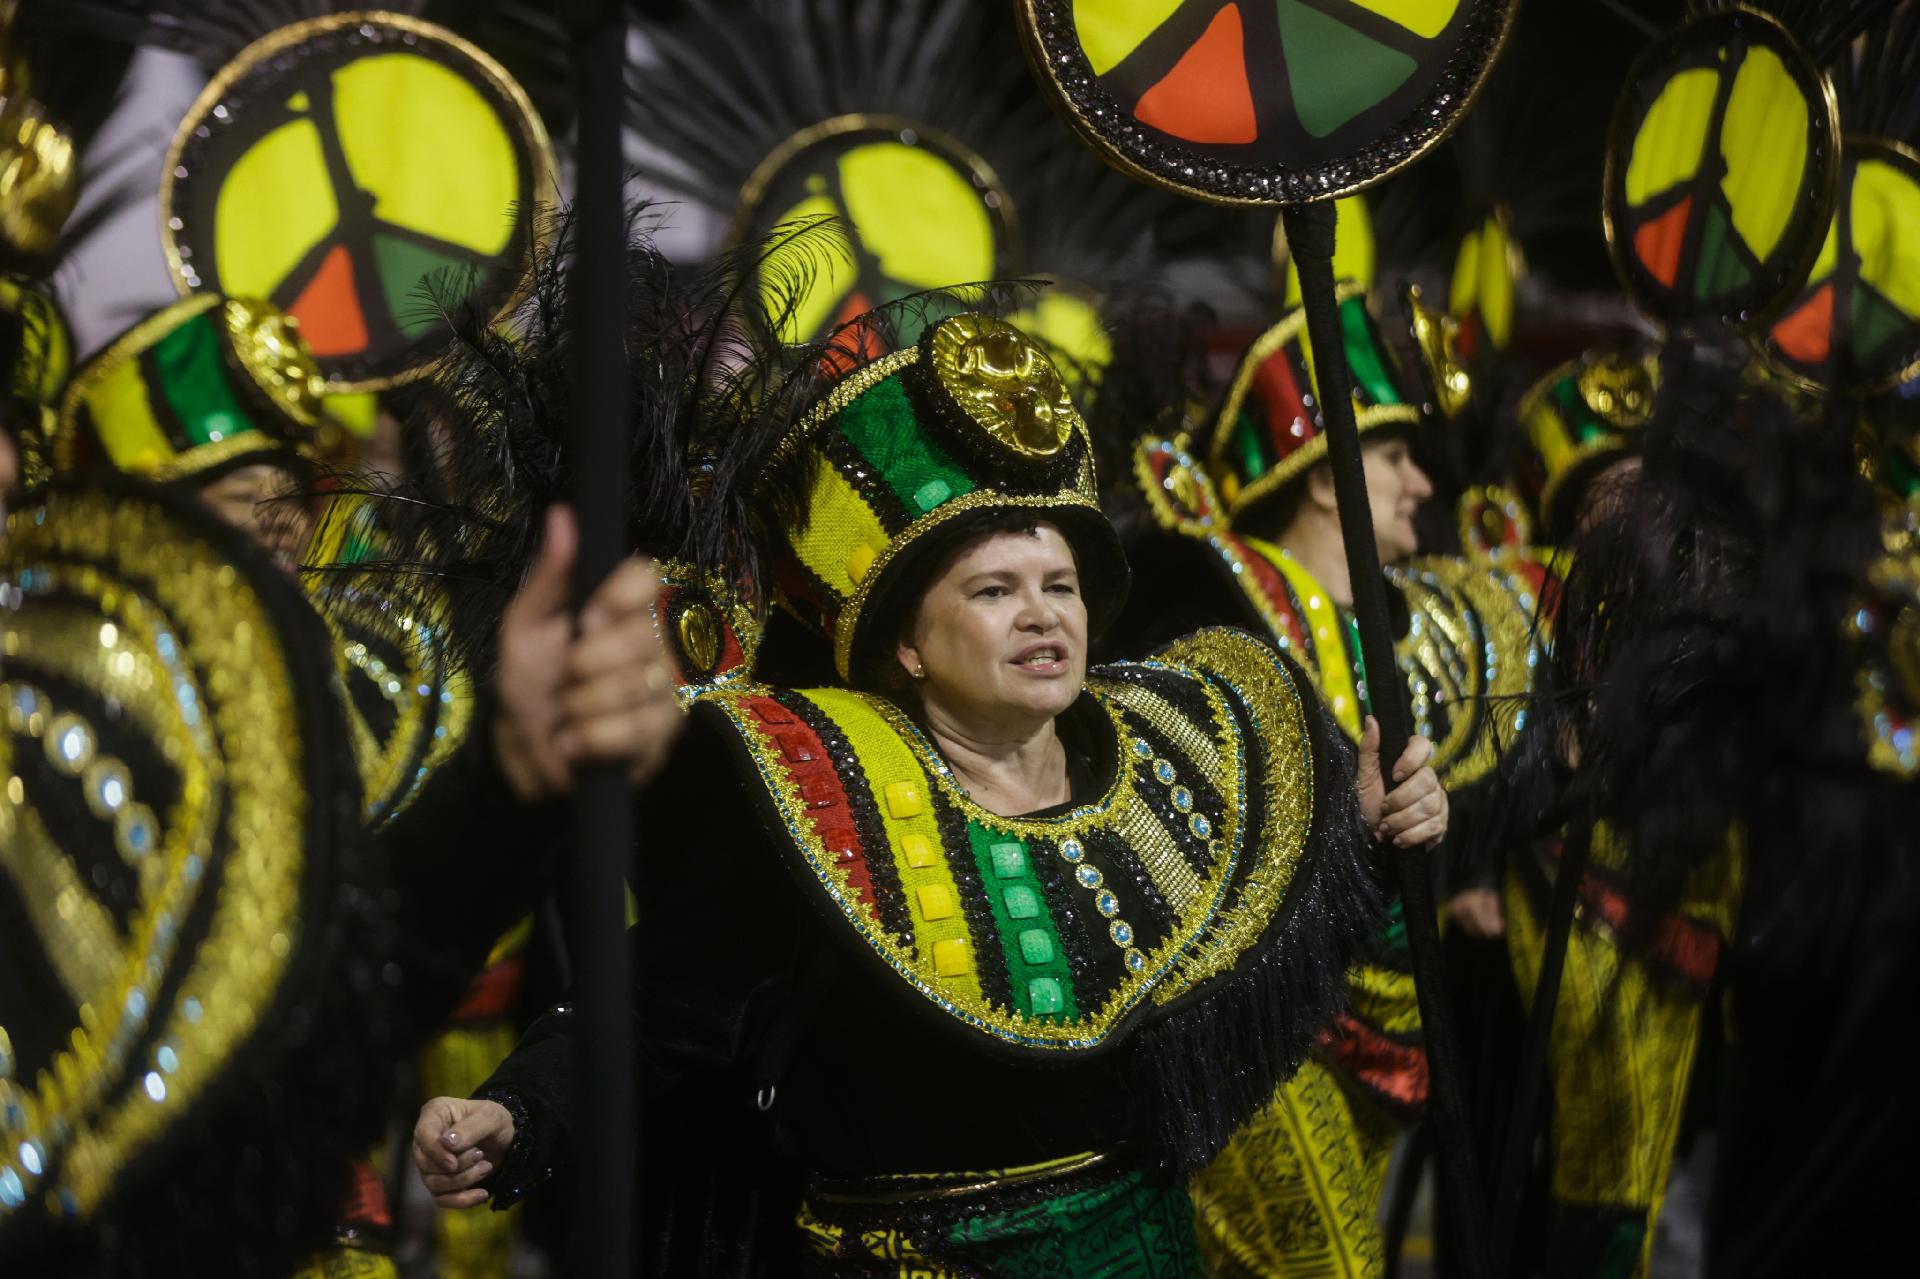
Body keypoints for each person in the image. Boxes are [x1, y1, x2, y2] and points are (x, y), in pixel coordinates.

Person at [409, 311, 1447, 1276]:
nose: (1043, 617)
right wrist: (521, 1110)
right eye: (994, 591)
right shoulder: (816, 790)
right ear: (905, 641)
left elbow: (1279, 961)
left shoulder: (1180, 744)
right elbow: (664, 1008)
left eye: (1061, 585)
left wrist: (1377, 830)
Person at [1111, 283, 1547, 1277]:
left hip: (1392, 1024)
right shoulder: (1215, 614)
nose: (1418, 485)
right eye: (1392, 456)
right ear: (1323, 475)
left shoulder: (1395, 626)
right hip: (1270, 1044)